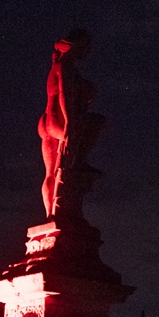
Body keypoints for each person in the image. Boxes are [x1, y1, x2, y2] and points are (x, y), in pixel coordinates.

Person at [37, 29, 102, 217]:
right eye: (85, 48)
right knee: (97, 122)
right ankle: (81, 161)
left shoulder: (58, 66)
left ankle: (51, 215)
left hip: (48, 119)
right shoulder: (65, 67)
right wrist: (69, 124)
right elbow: (65, 94)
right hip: (59, 120)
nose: (87, 52)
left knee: (51, 172)